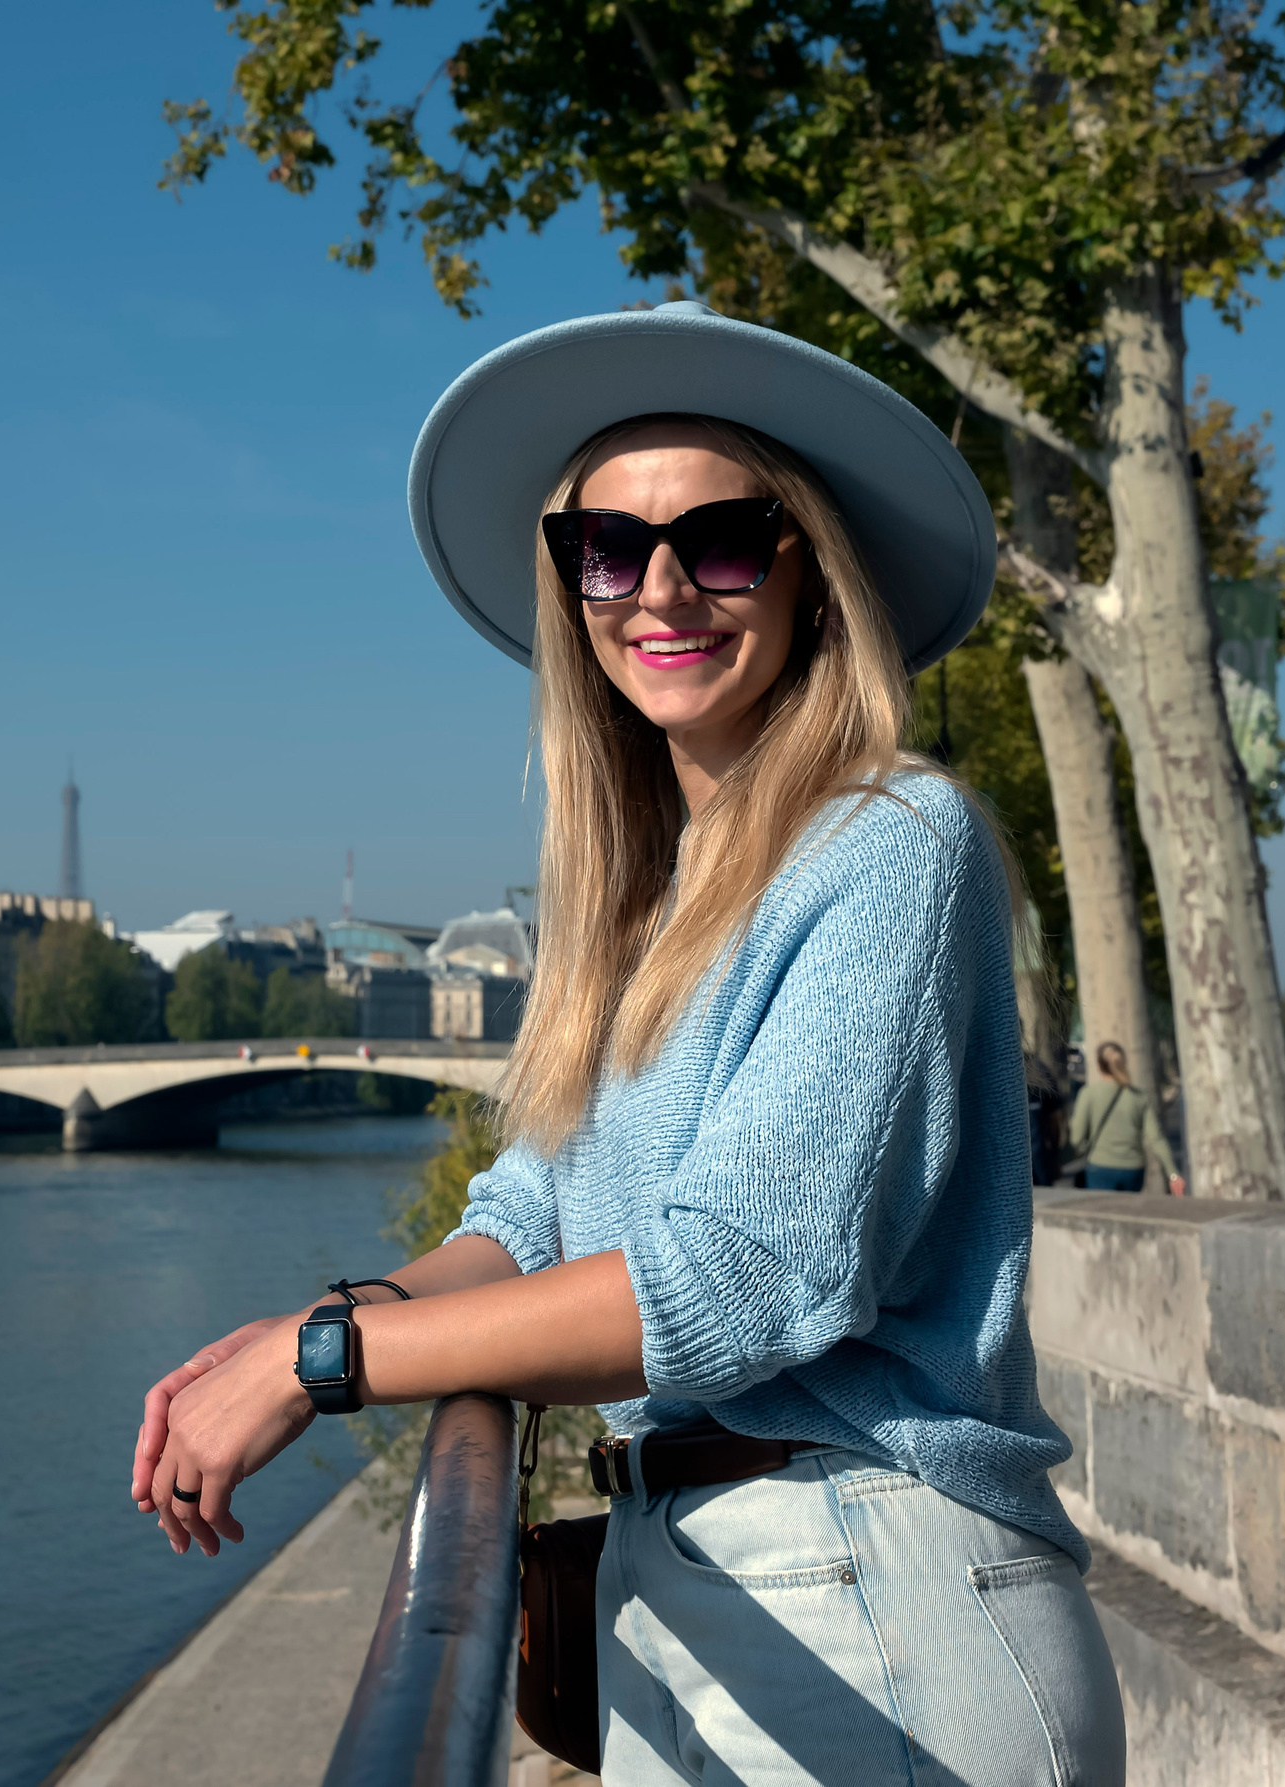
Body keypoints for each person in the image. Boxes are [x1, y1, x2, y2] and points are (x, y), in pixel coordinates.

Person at [129, 303, 1124, 1785]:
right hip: (701, 1596)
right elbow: (523, 1218)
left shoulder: (894, 838)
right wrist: (317, 1317)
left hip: (870, 1608)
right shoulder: (640, 901)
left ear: (810, 574)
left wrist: (328, 1359)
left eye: (725, 539)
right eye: (607, 546)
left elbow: (742, 1281)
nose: (661, 587)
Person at [1069, 1041, 1186, 1194]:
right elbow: (1156, 1139)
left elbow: (1076, 1138)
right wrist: (1173, 1174)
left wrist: (1086, 1148)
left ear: (1099, 1066)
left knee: (1103, 1215)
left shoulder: (1088, 1094)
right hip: (1134, 1170)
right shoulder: (1139, 1096)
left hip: (1100, 1168)